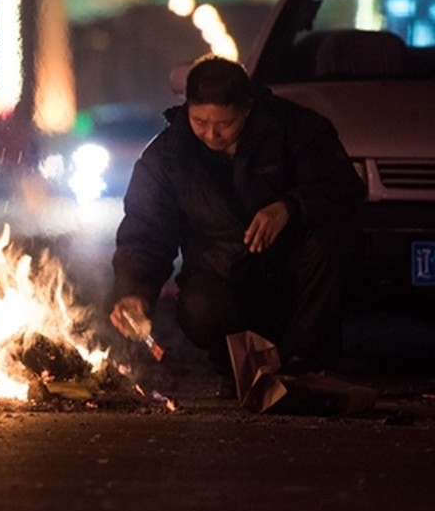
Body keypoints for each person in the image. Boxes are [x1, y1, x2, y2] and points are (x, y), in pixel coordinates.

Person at [108, 55, 365, 387]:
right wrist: (134, 291)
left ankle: (305, 365)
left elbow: (343, 188)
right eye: (201, 121)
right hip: (223, 272)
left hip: (292, 268)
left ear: (247, 108)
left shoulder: (297, 130)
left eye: (224, 124)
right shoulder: (169, 156)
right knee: (200, 307)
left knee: (330, 245)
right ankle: (238, 366)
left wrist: (290, 207)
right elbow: (145, 234)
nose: (212, 135)